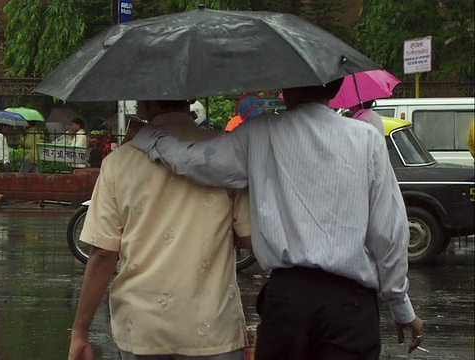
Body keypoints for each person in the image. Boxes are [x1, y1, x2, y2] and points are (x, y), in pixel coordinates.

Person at [131, 80, 424, 358]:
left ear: (289, 88)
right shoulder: (366, 139)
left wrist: (147, 137)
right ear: (335, 88)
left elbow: (193, 161)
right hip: (350, 306)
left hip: (288, 302)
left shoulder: (261, 133)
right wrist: (400, 306)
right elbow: (389, 232)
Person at [68, 100, 251, 360]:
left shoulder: (119, 163)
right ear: (190, 100)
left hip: (141, 329)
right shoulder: (225, 155)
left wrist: (80, 331)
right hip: (213, 329)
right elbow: (252, 237)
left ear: (145, 103)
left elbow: (102, 255)